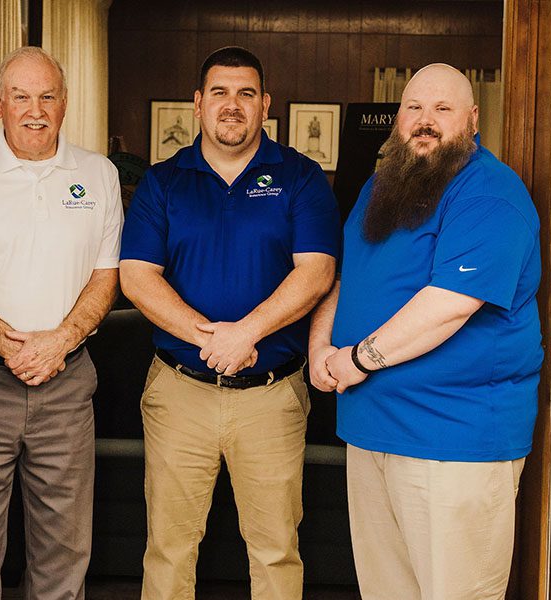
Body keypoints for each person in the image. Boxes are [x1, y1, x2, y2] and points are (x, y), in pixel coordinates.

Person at [308, 63, 542, 600]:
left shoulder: (490, 195)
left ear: (473, 119)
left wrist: (356, 360)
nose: (425, 120)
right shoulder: (380, 186)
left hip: (452, 440)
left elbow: (448, 306)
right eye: (413, 107)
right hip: (372, 432)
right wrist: (321, 344)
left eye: (443, 109)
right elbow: (350, 276)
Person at [120, 46, 341, 599]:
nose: (232, 105)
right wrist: (213, 338)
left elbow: (316, 273)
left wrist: (248, 333)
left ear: (265, 104)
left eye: (246, 93)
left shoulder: (301, 177)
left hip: (272, 397)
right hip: (179, 394)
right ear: (197, 103)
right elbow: (136, 277)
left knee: (275, 552)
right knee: (168, 550)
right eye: (219, 92)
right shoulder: (163, 182)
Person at [0, 46, 123, 600]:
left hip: (66, 382)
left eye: (47, 96)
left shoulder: (99, 174)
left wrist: (59, 341)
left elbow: (106, 276)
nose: (34, 110)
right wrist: (13, 347)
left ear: (64, 103)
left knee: (64, 548)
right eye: (20, 97)